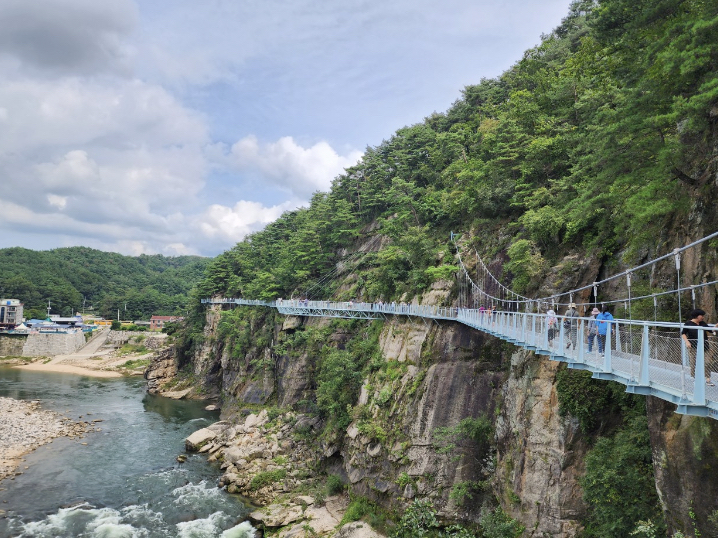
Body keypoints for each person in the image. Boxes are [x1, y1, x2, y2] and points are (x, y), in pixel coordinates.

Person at [681, 308, 715, 386]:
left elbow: (710, 330)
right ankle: (695, 378)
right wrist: (687, 342)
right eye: (701, 315)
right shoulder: (688, 324)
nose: (703, 317)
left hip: (705, 346)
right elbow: (683, 333)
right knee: (694, 362)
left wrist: (715, 327)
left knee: (707, 362)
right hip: (693, 346)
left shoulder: (702, 323)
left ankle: (708, 379)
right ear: (696, 316)